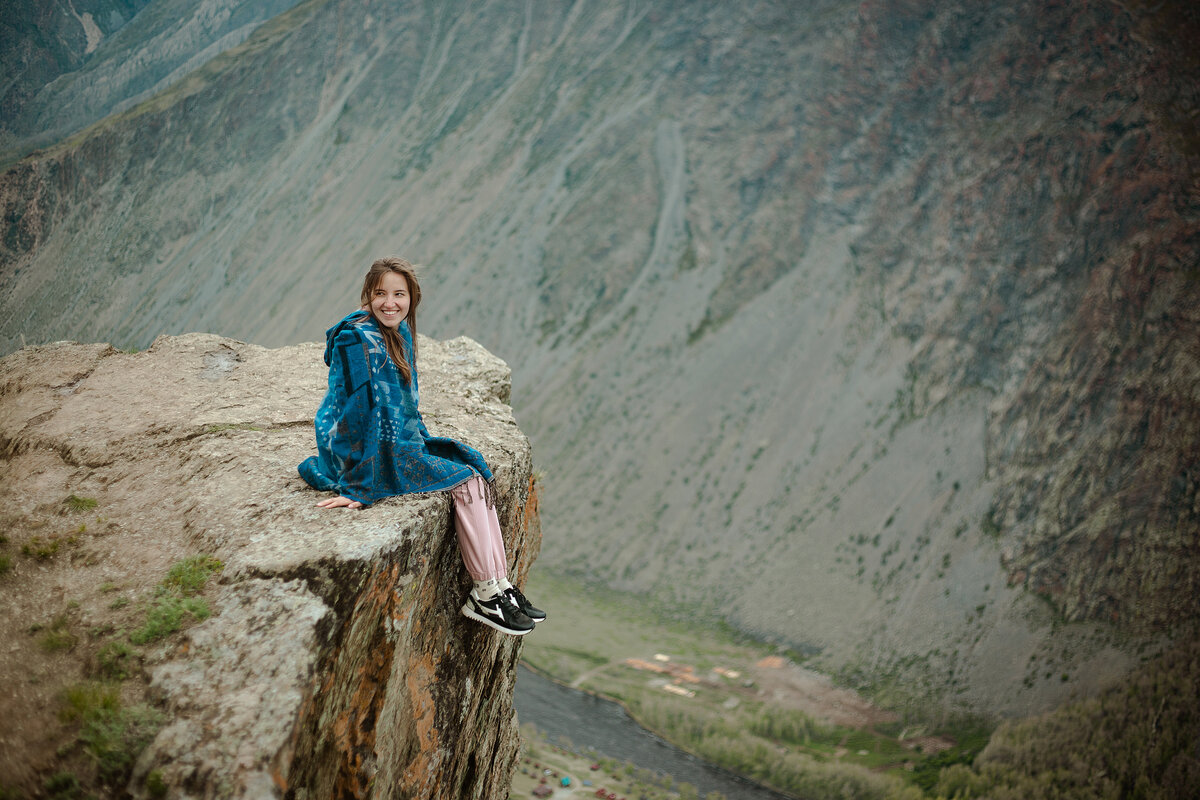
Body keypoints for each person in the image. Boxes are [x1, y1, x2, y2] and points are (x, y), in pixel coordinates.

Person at [298, 256, 545, 636]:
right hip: (358, 449)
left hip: (395, 439)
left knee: (475, 474)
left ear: (413, 298)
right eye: (380, 294)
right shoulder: (354, 340)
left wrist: (420, 442)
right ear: (368, 295)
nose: (390, 303)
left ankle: (499, 586)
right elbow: (354, 415)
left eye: (399, 294)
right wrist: (360, 486)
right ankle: (483, 594)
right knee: (464, 481)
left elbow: (405, 404)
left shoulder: (399, 333)